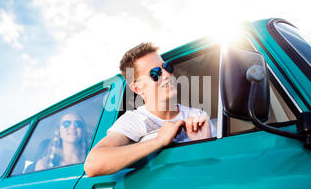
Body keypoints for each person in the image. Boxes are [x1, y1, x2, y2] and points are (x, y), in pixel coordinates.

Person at [84, 43, 214, 177]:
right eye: (155, 73)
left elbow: (210, 171)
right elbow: (92, 164)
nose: (166, 74)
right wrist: (159, 141)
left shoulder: (197, 115)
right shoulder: (134, 121)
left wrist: (202, 144)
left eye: (166, 67)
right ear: (137, 88)